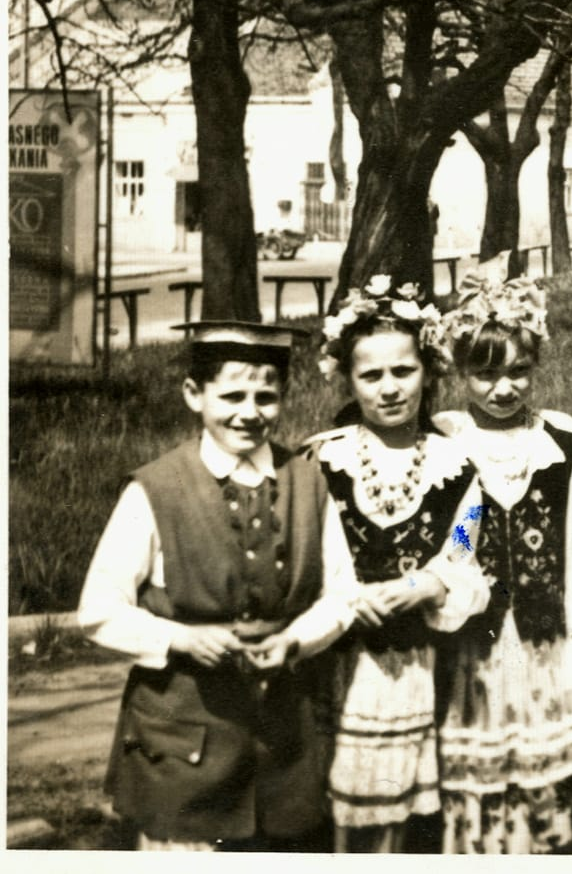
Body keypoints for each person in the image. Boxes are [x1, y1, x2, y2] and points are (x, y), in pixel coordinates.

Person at [79, 322, 356, 851]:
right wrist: (179, 638)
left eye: (265, 397)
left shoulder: (308, 481)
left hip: (282, 742)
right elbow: (99, 608)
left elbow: (342, 594)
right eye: (231, 396)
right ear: (194, 394)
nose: (249, 412)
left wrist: (295, 640)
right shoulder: (155, 489)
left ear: (283, 397)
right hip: (181, 744)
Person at [432, 259, 572, 853]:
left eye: (518, 371)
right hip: (473, 651)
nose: (504, 388)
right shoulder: (445, 443)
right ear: (459, 370)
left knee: (545, 786)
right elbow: (450, 548)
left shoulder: (560, 441)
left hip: (545, 649)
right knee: (479, 781)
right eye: (485, 374)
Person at [305, 275, 487, 853]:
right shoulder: (321, 460)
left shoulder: (457, 468)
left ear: (429, 372)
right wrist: (341, 599)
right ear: (348, 378)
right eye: (371, 375)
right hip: (332, 658)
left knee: (392, 812)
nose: (389, 389)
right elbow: (303, 553)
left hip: (409, 665)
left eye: (403, 371)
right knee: (326, 804)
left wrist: (427, 583)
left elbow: (462, 550)